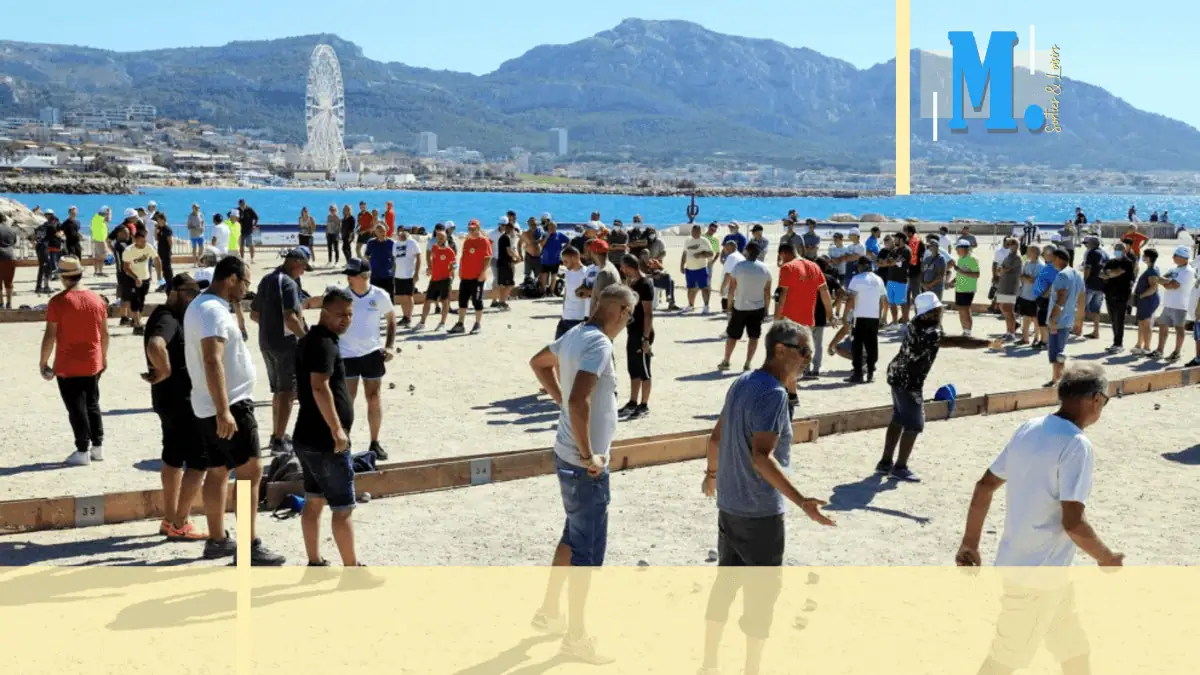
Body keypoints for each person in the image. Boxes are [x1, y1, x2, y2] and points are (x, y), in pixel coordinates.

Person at [956, 363, 1119, 675]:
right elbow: (1073, 522)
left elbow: (985, 486)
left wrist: (970, 543)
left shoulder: (1030, 428)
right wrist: (1106, 558)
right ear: (1096, 399)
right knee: (1003, 662)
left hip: (1037, 570)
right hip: (1038, 577)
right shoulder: (1077, 445)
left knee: (1074, 649)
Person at [699, 319, 834, 675]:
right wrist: (802, 501)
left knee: (725, 585)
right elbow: (762, 457)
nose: (807, 360)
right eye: (804, 352)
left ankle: (709, 664)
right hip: (760, 513)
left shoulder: (741, 382)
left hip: (730, 506)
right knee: (761, 598)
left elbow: (715, 438)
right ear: (780, 350)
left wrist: (711, 476)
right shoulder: (774, 394)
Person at [526, 284, 636, 665]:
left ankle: (549, 611)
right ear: (620, 311)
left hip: (564, 455)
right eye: (629, 316)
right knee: (586, 555)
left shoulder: (574, 333)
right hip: (582, 463)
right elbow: (578, 400)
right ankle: (575, 637)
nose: (627, 323)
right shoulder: (600, 344)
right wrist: (589, 454)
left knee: (572, 535)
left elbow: (538, 363)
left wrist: (560, 402)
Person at [184, 256, 284, 565]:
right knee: (249, 472)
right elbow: (211, 359)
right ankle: (248, 545)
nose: (246, 289)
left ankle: (217, 540)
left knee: (217, 470)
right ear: (231, 279)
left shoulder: (200, 306)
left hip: (207, 403)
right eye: (245, 282)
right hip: (229, 403)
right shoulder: (213, 311)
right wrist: (224, 410)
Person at [879, 292, 990, 481]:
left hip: (896, 373)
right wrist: (987, 343)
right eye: (936, 310)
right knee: (914, 424)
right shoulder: (930, 332)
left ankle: (885, 463)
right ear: (928, 314)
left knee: (898, 418)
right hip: (909, 381)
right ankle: (900, 467)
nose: (940, 313)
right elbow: (957, 341)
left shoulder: (915, 323)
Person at [293, 287, 365, 567]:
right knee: (342, 508)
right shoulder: (323, 343)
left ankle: (315, 561)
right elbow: (319, 386)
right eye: (340, 315)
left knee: (313, 501)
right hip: (325, 440)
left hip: (306, 436)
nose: (346, 320)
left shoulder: (312, 340)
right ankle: (352, 569)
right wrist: (336, 429)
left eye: (349, 315)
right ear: (324, 312)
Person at [143, 274, 208, 540]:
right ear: (178, 293)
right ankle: (181, 522)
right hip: (181, 400)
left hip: (167, 398)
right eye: (191, 294)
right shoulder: (168, 318)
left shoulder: (165, 315)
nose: (194, 299)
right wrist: (166, 369)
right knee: (199, 460)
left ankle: (170, 519)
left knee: (172, 456)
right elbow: (155, 344)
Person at [39, 256, 109, 466]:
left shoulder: (58, 302)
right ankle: (98, 446)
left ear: (63, 277)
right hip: (93, 360)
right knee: (92, 403)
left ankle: (82, 449)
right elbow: (104, 334)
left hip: (68, 363)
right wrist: (104, 357)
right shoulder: (97, 299)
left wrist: (43, 362)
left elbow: (50, 335)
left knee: (76, 408)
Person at [251, 247, 312, 456]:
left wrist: (271, 327)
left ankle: (277, 433)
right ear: (295, 263)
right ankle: (278, 440)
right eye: (303, 267)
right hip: (286, 344)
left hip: (266, 342)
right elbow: (291, 318)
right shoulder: (288, 283)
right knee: (287, 392)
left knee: (278, 390)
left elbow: (254, 314)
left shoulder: (267, 279)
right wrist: (305, 339)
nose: (302, 272)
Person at [339, 258, 396, 461]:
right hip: (346, 354)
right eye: (348, 274)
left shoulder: (379, 295)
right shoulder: (342, 295)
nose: (348, 278)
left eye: (352, 274)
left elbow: (391, 319)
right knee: (347, 400)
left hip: (372, 353)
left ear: (365, 276)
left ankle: (374, 442)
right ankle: (344, 442)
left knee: (373, 397)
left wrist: (389, 345)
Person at [775, 243, 834, 404]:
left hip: (789, 320)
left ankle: (791, 395)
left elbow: (782, 295)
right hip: (807, 321)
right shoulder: (814, 266)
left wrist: (776, 319)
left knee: (787, 358)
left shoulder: (787, 268)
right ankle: (791, 393)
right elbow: (824, 291)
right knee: (794, 356)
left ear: (783, 254)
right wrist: (830, 314)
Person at [719, 241, 772, 372]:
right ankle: (748, 363)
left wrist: (729, 306)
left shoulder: (739, 267)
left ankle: (726, 360)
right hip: (758, 307)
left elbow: (732, 289)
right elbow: (767, 292)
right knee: (754, 336)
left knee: (732, 336)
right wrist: (766, 309)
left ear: (746, 251)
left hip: (740, 306)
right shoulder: (765, 269)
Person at [619, 254, 655, 420]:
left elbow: (648, 313)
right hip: (632, 331)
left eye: (623, 267)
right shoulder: (632, 283)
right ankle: (633, 402)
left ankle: (644, 404)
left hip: (642, 333)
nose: (622, 270)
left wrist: (646, 339)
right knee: (633, 369)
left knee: (644, 370)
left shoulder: (645, 284)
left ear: (629, 267)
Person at [1045, 249, 1086, 387]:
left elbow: (1061, 298)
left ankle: (1058, 380)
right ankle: (1055, 378)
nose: (1051, 261)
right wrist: (1079, 320)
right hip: (1068, 318)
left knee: (1057, 353)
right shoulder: (1077, 274)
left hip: (1058, 319)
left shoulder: (1062, 275)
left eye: (1052, 258)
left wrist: (1052, 318)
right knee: (1059, 350)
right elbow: (1082, 298)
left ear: (1058, 259)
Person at [844, 257, 887, 383]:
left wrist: (845, 315)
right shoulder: (878, 279)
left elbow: (850, 299)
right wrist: (884, 316)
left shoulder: (856, 279)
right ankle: (870, 372)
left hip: (859, 316)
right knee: (872, 344)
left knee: (857, 345)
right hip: (874, 317)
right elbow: (884, 300)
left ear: (861, 266)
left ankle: (858, 374)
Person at [1152, 246, 1195, 361]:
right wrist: (1167, 282)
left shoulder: (1188, 271)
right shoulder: (1173, 269)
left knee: (1179, 328)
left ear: (1183, 257)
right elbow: (1161, 280)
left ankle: (1177, 353)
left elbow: (1174, 285)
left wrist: (1166, 282)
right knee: (1162, 326)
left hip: (1180, 305)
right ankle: (1159, 350)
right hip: (1168, 303)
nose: (1173, 257)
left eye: (1175, 255)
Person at [449, 220, 492, 335]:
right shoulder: (467, 241)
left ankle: (477, 324)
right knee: (462, 300)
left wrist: (483, 273)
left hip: (477, 277)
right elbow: (463, 257)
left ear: (478, 228)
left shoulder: (483, 241)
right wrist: (460, 270)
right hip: (465, 276)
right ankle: (460, 324)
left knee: (477, 301)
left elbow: (488, 258)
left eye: (473, 229)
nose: (471, 231)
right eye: (469, 229)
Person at [806, 256, 843, 379]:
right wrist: (833, 306)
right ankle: (816, 369)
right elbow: (842, 292)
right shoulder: (829, 278)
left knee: (806, 343)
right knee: (818, 344)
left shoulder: (806, 278)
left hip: (806, 315)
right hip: (821, 315)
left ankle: (806, 369)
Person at [124, 227, 162, 335]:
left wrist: (159, 275)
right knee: (135, 301)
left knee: (141, 300)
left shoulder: (148, 247)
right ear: (135, 240)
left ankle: (136, 321)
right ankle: (137, 323)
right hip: (132, 279)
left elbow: (157, 259)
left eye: (145, 240)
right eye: (141, 241)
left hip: (146, 278)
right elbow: (126, 268)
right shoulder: (129, 251)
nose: (144, 243)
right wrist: (136, 277)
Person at [417, 227, 456, 331]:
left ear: (445, 238)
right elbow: (432, 259)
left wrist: (451, 270)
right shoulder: (434, 248)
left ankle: (442, 323)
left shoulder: (449, 251)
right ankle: (422, 322)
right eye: (438, 237)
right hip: (434, 279)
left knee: (444, 301)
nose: (439, 239)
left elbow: (454, 265)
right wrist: (430, 269)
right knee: (427, 301)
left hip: (445, 279)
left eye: (442, 237)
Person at [1100, 242, 1134, 354]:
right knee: (1113, 320)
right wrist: (1109, 273)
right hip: (1109, 294)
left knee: (1119, 320)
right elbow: (1101, 274)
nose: (1117, 251)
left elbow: (1116, 273)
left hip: (1121, 296)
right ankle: (1115, 342)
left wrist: (1109, 273)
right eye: (1116, 249)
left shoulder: (1127, 262)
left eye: (1119, 249)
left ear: (1124, 251)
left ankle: (1119, 344)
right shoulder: (1111, 262)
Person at [557, 246, 591, 339]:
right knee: (557, 346)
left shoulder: (586, 273)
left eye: (566, 261)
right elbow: (566, 292)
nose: (564, 264)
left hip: (578, 319)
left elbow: (589, 295)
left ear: (575, 258)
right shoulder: (568, 273)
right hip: (565, 318)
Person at [391, 226, 422, 327]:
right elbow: (394, 260)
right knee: (401, 297)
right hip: (398, 275)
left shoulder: (412, 242)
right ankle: (405, 317)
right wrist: (393, 274)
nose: (401, 233)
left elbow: (419, 257)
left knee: (409, 296)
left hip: (409, 275)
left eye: (403, 231)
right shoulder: (395, 244)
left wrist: (416, 273)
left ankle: (409, 317)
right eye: (399, 231)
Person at [1031, 245, 1060, 350]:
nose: (1042, 254)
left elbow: (1053, 284)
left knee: (1044, 321)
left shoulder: (1054, 267)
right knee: (1042, 320)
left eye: (1044, 253)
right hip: (1043, 297)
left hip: (1047, 298)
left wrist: (1044, 295)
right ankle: (1044, 341)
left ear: (1050, 254)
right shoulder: (1050, 265)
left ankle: (1045, 342)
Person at [682, 224, 716, 313]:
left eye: (696, 232)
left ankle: (706, 306)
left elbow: (711, 253)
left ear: (700, 232)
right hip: (689, 269)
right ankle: (690, 305)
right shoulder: (688, 240)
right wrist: (682, 265)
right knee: (690, 288)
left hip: (701, 269)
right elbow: (684, 253)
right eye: (693, 231)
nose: (694, 233)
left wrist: (701, 255)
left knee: (704, 288)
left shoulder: (704, 241)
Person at [949, 240, 980, 336]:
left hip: (968, 289)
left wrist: (960, 271)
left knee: (965, 310)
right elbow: (960, 274)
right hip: (959, 288)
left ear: (964, 248)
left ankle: (968, 332)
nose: (956, 250)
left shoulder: (972, 259)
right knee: (961, 310)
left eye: (957, 248)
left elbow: (976, 274)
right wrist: (953, 282)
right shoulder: (960, 259)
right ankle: (964, 330)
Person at [1015, 244, 1044, 346]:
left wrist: (1026, 278)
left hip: (1034, 297)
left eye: (1029, 251)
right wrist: (1026, 278)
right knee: (1025, 317)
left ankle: (1036, 338)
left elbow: (1034, 281)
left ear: (1035, 253)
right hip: (1024, 294)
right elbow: (1021, 276)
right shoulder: (1027, 263)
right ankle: (1025, 338)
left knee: (1035, 318)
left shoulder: (1040, 265)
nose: (1026, 253)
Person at [1080, 237, 1108, 339]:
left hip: (1090, 284)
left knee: (1081, 307)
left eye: (1087, 243)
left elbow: (1088, 268)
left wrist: (1084, 281)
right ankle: (1096, 331)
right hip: (1101, 285)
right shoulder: (1105, 254)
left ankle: (1078, 329)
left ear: (1091, 244)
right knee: (1096, 310)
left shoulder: (1091, 253)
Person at [995, 237, 1022, 341]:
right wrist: (1000, 270)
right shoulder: (1009, 256)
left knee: (1008, 309)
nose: (1010, 245)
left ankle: (1012, 332)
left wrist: (1001, 269)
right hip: (1003, 284)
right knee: (1003, 308)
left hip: (1011, 285)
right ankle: (1008, 331)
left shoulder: (1017, 257)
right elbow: (1001, 268)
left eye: (1012, 243)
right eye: (1009, 243)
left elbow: (1006, 269)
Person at [539, 219, 569, 295]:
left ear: (556, 227)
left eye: (553, 227)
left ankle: (551, 292)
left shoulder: (559, 235)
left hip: (555, 259)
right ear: (548, 227)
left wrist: (563, 248)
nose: (551, 228)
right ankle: (543, 292)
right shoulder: (545, 234)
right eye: (550, 227)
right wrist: (547, 236)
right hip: (545, 259)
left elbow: (568, 241)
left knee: (554, 276)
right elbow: (542, 245)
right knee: (544, 276)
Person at [494, 221, 519, 310]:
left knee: (503, 284)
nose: (513, 231)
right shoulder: (506, 237)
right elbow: (509, 251)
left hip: (501, 263)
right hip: (506, 264)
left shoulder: (502, 237)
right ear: (510, 229)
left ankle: (501, 302)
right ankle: (502, 302)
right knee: (510, 284)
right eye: (513, 229)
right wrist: (518, 257)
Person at [717, 240, 745, 316]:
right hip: (739, 286)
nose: (724, 250)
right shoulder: (740, 256)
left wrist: (722, 287)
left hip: (731, 289)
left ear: (730, 247)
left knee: (728, 311)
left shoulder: (731, 257)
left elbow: (728, 274)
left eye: (725, 248)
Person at [0, 213, 18, 309]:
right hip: (10, 257)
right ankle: (9, 303)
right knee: (9, 281)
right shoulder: (11, 230)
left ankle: (1, 303)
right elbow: (13, 242)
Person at [154, 213, 174, 293]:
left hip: (166, 251)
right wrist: (156, 230)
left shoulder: (167, 229)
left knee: (167, 269)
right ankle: (163, 284)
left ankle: (170, 285)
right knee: (161, 269)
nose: (157, 221)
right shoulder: (159, 228)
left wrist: (170, 250)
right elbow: (156, 238)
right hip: (160, 251)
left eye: (158, 220)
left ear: (163, 220)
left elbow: (170, 241)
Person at [521, 216, 545, 285]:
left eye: (534, 224)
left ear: (537, 224)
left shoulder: (541, 233)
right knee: (527, 275)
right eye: (531, 224)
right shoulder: (525, 233)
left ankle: (537, 288)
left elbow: (544, 243)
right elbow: (519, 244)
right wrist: (520, 254)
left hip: (538, 257)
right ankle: (527, 286)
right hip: (528, 256)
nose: (533, 226)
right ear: (528, 224)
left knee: (538, 275)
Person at [90, 206, 112, 275]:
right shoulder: (102, 218)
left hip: (95, 238)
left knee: (96, 256)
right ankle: (100, 271)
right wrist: (109, 213)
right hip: (101, 239)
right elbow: (109, 220)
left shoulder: (95, 217)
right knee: (102, 256)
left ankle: (96, 271)